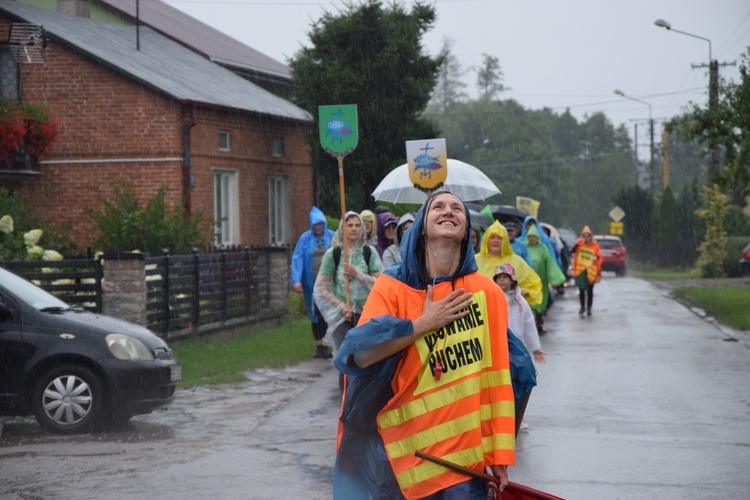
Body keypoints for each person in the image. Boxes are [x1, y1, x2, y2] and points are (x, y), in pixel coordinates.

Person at [332, 191, 515, 499]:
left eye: (457, 208)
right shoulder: (392, 287)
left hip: (464, 464)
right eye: (438, 206)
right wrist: (421, 325)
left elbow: (497, 378)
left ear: (467, 228)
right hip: (404, 460)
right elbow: (360, 356)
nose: (449, 211)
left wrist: (500, 455)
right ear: (421, 226)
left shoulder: (488, 293)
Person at [313, 211, 383, 352]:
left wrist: (358, 274)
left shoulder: (369, 253)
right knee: (346, 359)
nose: (353, 228)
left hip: (366, 315)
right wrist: (341, 306)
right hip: (342, 318)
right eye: (349, 225)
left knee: (364, 358)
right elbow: (321, 287)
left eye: (357, 225)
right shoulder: (333, 254)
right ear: (342, 229)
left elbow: (380, 283)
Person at [290, 206, 335, 359]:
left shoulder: (332, 237)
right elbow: (298, 259)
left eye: (320, 224)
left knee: (328, 313)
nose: (318, 227)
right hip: (311, 286)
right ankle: (319, 346)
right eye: (315, 224)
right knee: (315, 315)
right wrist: (296, 280)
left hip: (329, 286)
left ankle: (329, 343)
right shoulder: (305, 239)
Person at [475, 220, 544, 307]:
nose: (496, 241)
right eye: (492, 237)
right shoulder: (475, 260)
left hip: (510, 310)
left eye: (500, 238)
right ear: (486, 239)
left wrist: (526, 291)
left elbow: (534, 283)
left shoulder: (516, 261)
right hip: (482, 309)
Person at [523, 224, 567, 334]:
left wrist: (555, 279)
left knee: (540, 303)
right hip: (527, 282)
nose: (532, 239)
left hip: (541, 282)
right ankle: (530, 326)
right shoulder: (524, 248)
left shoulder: (543, 249)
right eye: (530, 236)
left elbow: (550, 264)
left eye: (534, 236)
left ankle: (539, 323)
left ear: (538, 237)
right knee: (528, 304)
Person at [569, 225, 602, 317]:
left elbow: (599, 255)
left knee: (590, 291)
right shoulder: (579, 244)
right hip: (581, 272)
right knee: (581, 290)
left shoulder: (595, 245)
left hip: (591, 271)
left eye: (588, 235)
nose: (586, 237)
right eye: (584, 235)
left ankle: (589, 308)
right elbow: (572, 252)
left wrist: (596, 257)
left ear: (591, 236)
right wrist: (577, 244)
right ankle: (582, 307)